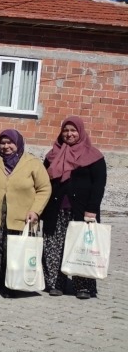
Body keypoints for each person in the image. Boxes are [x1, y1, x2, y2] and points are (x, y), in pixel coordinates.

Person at [0, 129, 51, 298]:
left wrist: (35, 210)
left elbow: (44, 188)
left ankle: (12, 284)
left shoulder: (32, 162)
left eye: (10, 142)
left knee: (14, 252)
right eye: (2, 143)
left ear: (17, 144)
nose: (6, 146)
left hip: (21, 217)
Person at [41, 116, 106, 299]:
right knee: (54, 246)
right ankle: (56, 283)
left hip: (82, 211)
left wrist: (92, 209)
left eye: (73, 130)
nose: (69, 134)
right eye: (65, 131)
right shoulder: (52, 155)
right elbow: (43, 182)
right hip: (55, 209)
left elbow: (98, 185)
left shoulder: (94, 156)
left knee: (82, 248)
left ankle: (83, 286)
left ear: (81, 131)